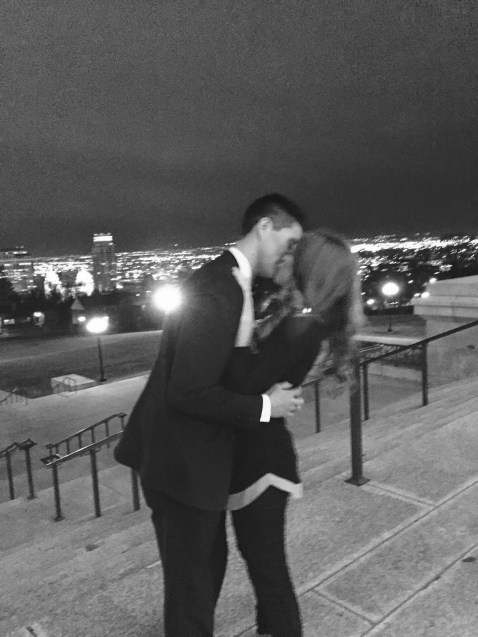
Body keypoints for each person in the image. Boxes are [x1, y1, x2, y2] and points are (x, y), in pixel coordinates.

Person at [113, 193, 305, 636]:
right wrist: (266, 406)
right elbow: (188, 391)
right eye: (289, 242)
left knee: (203, 574)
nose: (289, 254)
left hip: (193, 463)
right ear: (264, 227)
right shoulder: (219, 288)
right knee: (192, 589)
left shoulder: (231, 283)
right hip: (180, 465)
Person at [223, 229, 363, 637]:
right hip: (264, 456)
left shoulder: (301, 326)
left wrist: (242, 308)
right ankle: (270, 626)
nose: (283, 258)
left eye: (292, 254)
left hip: (260, 462)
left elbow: (242, 381)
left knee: (266, 565)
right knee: (262, 560)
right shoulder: (307, 322)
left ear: (307, 268)